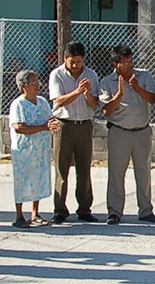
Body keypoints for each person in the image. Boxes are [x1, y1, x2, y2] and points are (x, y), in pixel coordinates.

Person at [99, 45, 155, 225]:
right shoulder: (107, 82)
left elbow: (153, 99)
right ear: (116, 64)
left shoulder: (144, 76)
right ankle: (115, 211)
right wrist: (119, 94)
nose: (130, 65)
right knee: (116, 173)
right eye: (125, 63)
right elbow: (105, 110)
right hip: (119, 132)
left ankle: (146, 210)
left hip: (142, 132)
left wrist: (137, 87)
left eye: (131, 61)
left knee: (144, 173)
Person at [48, 42, 99, 224]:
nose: (76, 65)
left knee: (84, 169)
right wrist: (78, 91)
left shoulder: (91, 75)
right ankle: (60, 209)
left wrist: (87, 94)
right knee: (62, 169)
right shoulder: (57, 74)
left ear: (83, 59)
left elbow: (95, 104)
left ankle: (84, 209)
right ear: (65, 59)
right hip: (64, 125)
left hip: (84, 124)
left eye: (79, 61)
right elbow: (58, 101)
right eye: (72, 62)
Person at [9, 70, 60, 228]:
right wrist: (43, 127)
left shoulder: (42, 101)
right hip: (24, 151)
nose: (37, 86)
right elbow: (19, 127)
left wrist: (52, 124)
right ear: (23, 86)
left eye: (38, 82)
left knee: (37, 180)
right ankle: (19, 215)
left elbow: (49, 117)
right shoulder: (18, 104)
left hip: (40, 150)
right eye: (33, 83)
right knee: (22, 182)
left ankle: (35, 213)